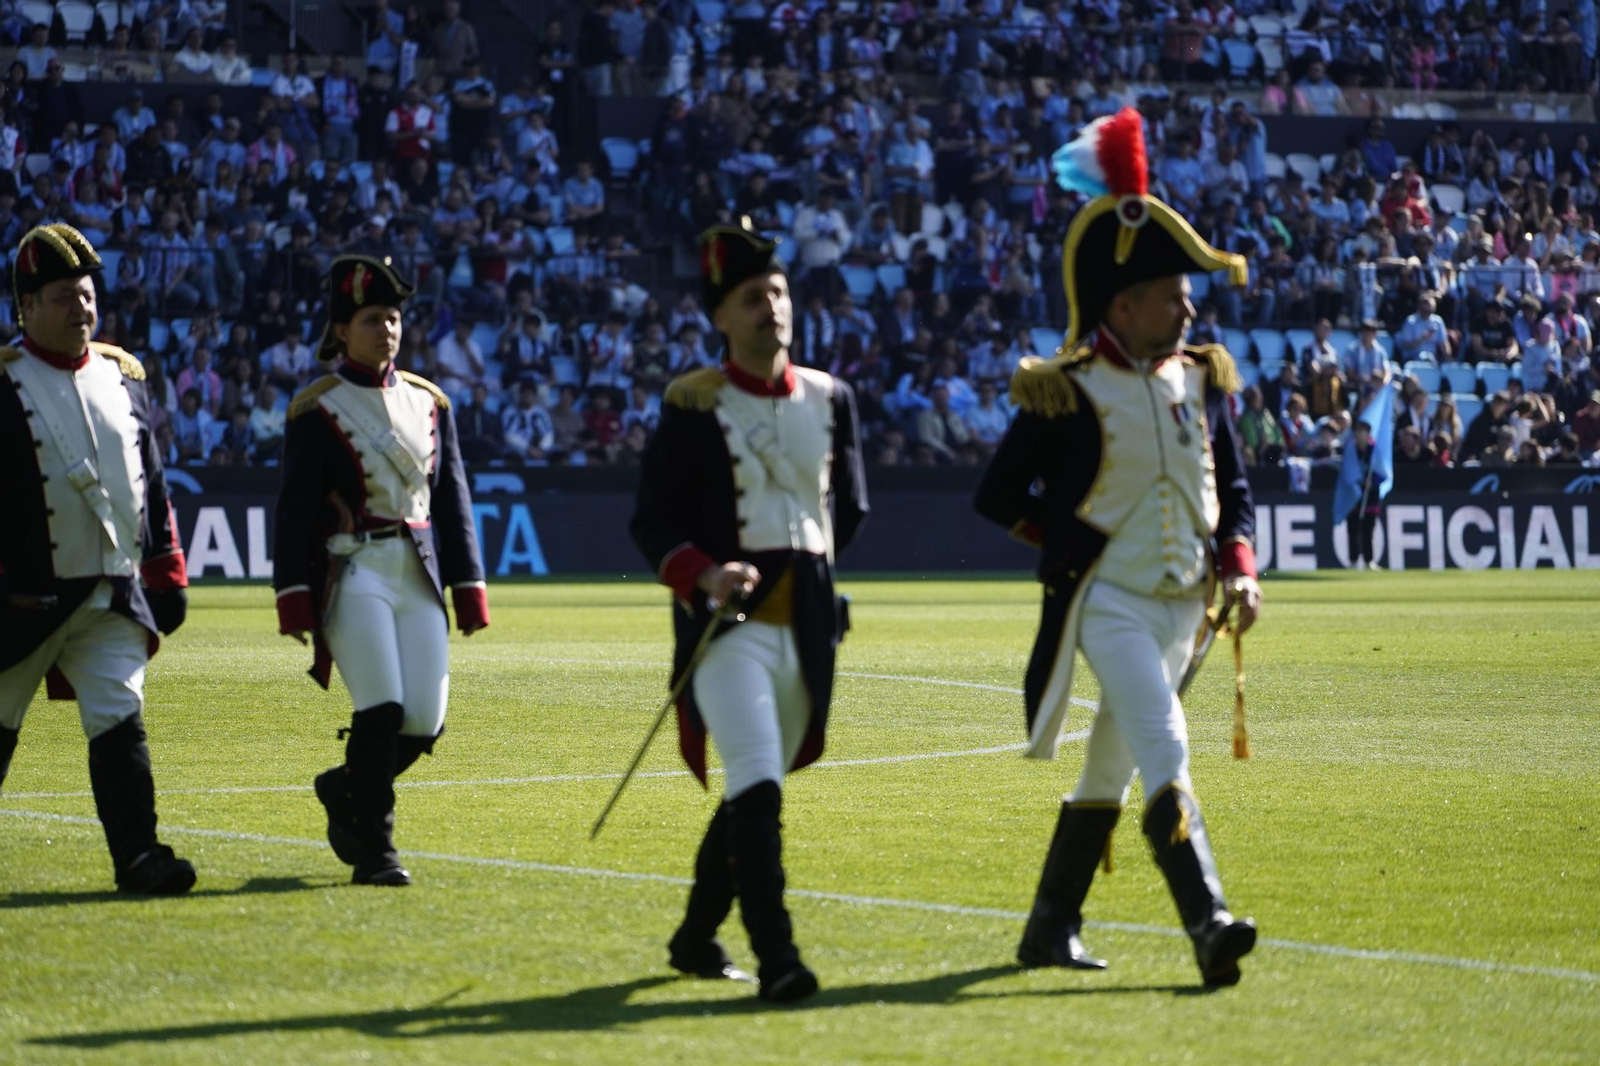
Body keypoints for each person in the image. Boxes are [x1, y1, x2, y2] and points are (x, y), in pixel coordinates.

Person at [974, 109, 1262, 987]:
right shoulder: (1060, 389)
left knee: (1112, 765)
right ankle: (1207, 919)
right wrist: (1061, 542)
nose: (1187, 306)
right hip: (1109, 602)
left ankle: (1049, 924)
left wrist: (1241, 569)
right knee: (1166, 746)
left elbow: (1235, 494)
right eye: (1171, 294)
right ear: (1122, 304)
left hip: (1186, 609)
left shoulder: (1202, 377)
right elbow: (996, 495)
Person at [630, 222, 868, 1003]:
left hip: (805, 629)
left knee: (754, 786)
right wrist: (703, 571)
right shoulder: (692, 402)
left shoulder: (835, 398)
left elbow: (850, 511)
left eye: (776, 292)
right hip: (727, 634)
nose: (770, 306)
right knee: (760, 785)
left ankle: (695, 937)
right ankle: (780, 959)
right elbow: (652, 522)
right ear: (720, 317)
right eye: (750, 297)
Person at [273, 256, 490, 887]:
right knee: (381, 707)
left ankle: (344, 786)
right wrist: (293, 596)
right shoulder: (316, 407)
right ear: (342, 329)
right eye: (372, 319)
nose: (387, 330)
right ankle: (377, 851)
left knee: (425, 719)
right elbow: (293, 513)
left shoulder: (429, 401)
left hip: (416, 569)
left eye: (394, 318)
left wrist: (469, 585)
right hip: (354, 571)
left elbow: (454, 499)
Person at [0, 224, 194, 894]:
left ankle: (139, 856)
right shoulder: (3, 383)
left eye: (86, 294)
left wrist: (167, 572)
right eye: (62, 296)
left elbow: (154, 486)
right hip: (20, 601)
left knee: (120, 722)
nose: (81, 307)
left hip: (111, 592)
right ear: (25, 306)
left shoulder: (125, 374)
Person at [1344, 421, 1382, 569]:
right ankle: (1353, 560)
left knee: (1368, 530)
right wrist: (1359, 482)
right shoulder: (1351, 450)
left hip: (1370, 496)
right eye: (1358, 430)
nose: (1360, 434)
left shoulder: (1375, 451)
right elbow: (1348, 472)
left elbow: (1382, 470)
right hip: (1354, 496)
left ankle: (1368, 560)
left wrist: (1372, 482)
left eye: (1363, 431)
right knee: (1353, 529)